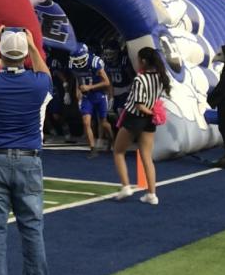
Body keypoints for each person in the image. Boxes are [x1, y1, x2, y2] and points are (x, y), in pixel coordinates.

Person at [0, 26, 52, 275]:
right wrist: (34, 47)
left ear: (1, 55)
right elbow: (45, 74)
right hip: (28, 160)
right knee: (31, 228)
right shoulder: (38, 84)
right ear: (25, 54)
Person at [113, 47, 170, 205]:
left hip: (135, 118)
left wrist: (150, 112)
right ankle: (152, 194)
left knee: (118, 151)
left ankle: (126, 186)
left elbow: (139, 105)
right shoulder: (160, 77)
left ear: (143, 61)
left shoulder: (140, 79)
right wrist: (155, 114)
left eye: (138, 60)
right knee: (146, 155)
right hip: (149, 121)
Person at [68, 43, 113, 157]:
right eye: (76, 60)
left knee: (103, 123)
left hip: (100, 94)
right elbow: (78, 77)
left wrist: (90, 87)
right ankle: (92, 148)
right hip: (87, 96)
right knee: (86, 122)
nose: (78, 63)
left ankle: (111, 139)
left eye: (80, 60)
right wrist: (77, 91)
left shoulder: (95, 62)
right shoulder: (72, 64)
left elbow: (107, 82)